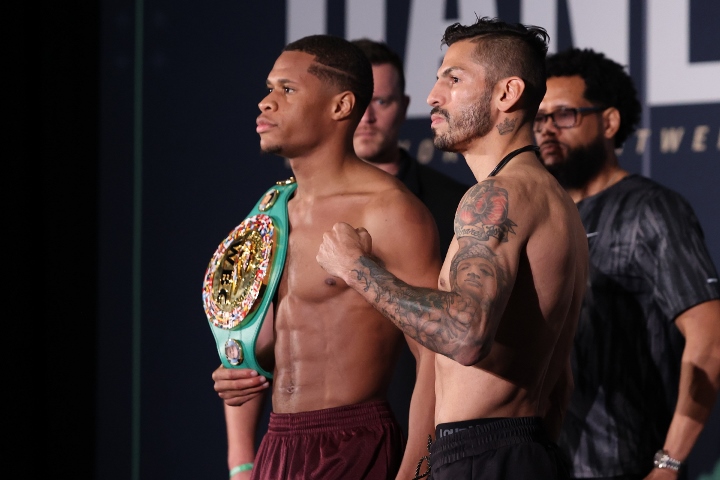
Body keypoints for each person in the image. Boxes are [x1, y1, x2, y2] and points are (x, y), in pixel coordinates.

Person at [317, 17, 589, 479]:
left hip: (486, 452)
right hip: (522, 449)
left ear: (508, 94)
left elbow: (465, 336)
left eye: (454, 78)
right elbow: (560, 381)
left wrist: (357, 267)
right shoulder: (555, 201)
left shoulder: (495, 198)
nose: (433, 97)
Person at [211, 34, 442, 480]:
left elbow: (436, 353)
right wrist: (239, 373)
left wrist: (418, 468)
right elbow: (265, 338)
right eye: (269, 88)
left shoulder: (387, 210)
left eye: (287, 90)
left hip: (354, 441)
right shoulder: (272, 210)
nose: (266, 102)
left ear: (341, 106)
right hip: (277, 444)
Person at [534, 47, 720, 480]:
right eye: (540, 118)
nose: (546, 130)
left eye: (563, 115)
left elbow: (709, 340)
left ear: (609, 122)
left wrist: (668, 463)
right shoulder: (545, 216)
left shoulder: (652, 210)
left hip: (626, 467)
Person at [351, 38, 470, 257]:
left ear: (404, 107)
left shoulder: (457, 206)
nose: (367, 117)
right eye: (357, 101)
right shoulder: (299, 202)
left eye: (381, 102)